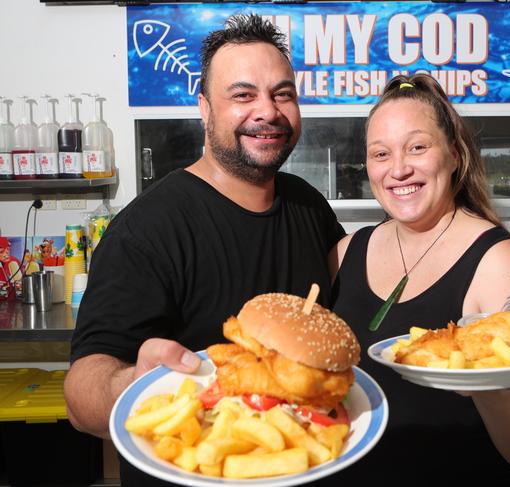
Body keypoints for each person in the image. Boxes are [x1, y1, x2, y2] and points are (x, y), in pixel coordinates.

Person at [64, 14, 344, 487]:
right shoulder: (148, 229)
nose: (268, 111)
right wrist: (132, 383)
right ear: (204, 109)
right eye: (242, 95)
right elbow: (80, 398)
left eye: (282, 94)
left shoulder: (307, 204)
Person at [326, 74, 510, 485]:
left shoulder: (499, 264)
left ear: (454, 155)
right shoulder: (345, 253)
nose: (398, 169)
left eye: (417, 147)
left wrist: (493, 387)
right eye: (380, 154)